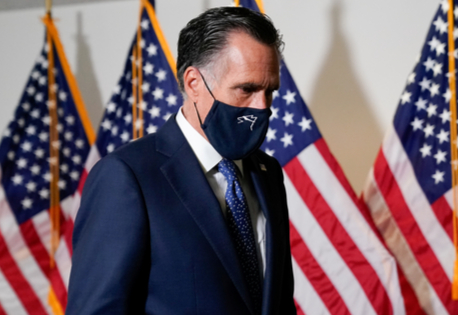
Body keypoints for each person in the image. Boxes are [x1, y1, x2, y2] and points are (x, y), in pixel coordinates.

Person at [66, 6, 296, 315]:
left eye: (270, 92)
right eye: (247, 89)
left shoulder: (268, 174)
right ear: (194, 83)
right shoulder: (126, 176)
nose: (261, 108)